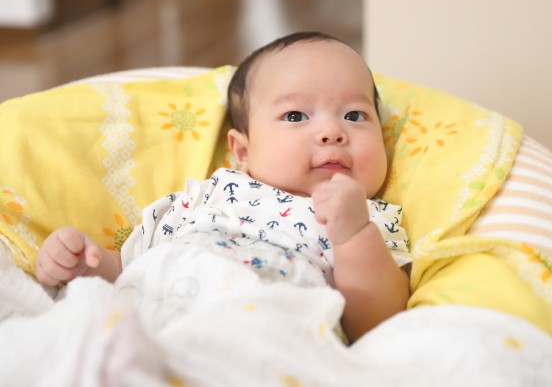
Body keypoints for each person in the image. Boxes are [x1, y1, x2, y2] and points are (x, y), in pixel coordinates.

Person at [35, 31, 412, 342]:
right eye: (296, 115)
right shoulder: (210, 193)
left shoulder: (370, 219)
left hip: (261, 335)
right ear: (243, 151)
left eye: (354, 115)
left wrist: (353, 235)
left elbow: (378, 322)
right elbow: (129, 266)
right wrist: (85, 263)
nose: (332, 132)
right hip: (145, 321)